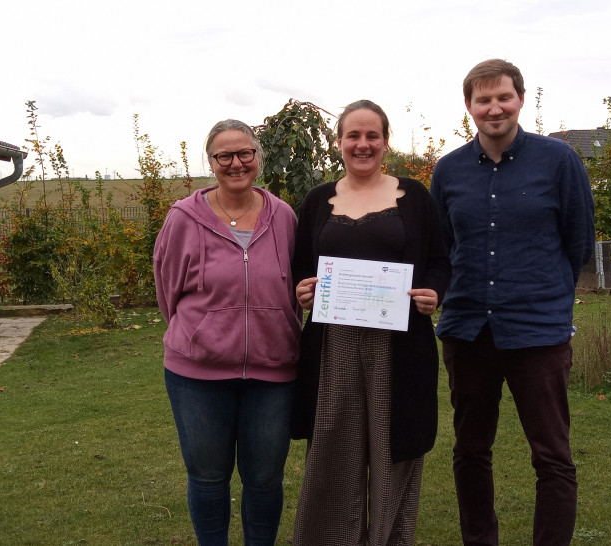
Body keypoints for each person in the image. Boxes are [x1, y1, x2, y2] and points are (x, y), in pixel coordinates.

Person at [430, 59, 596, 545]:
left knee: (552, 456)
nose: (494, 107)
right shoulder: (449, 169)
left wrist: (549, 299)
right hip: (467, 332)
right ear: (469, 107)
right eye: (483, 100)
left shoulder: (559, 160)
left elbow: (578, 242)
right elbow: (442, 246)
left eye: (503, 97)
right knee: (471, 450)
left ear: (520, 99)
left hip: (538, 332)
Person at [291, 100, 451, 545]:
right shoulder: (318, 200)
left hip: (399, 347)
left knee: (391, 452)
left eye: (372, 136)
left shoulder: (414, 196)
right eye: (353, 136)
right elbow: (301, 268)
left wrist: (434, 292)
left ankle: (387, 538)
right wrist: (302, 291)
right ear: (338, 142)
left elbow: (440, 261)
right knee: (331, 451)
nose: (363, 145)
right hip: (333, 345)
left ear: (385, 141)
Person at [153, 119, 302, 546]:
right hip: (197, 376)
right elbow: (168, 291)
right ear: (212, 162)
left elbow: (294, 284)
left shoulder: (284, 215)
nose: (236, 163)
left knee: (264, 479)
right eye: (225, 156)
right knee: (208, 477)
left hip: (273, 373)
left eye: (245, 154)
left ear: (258, 157)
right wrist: (202, 333)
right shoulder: (183, 218)